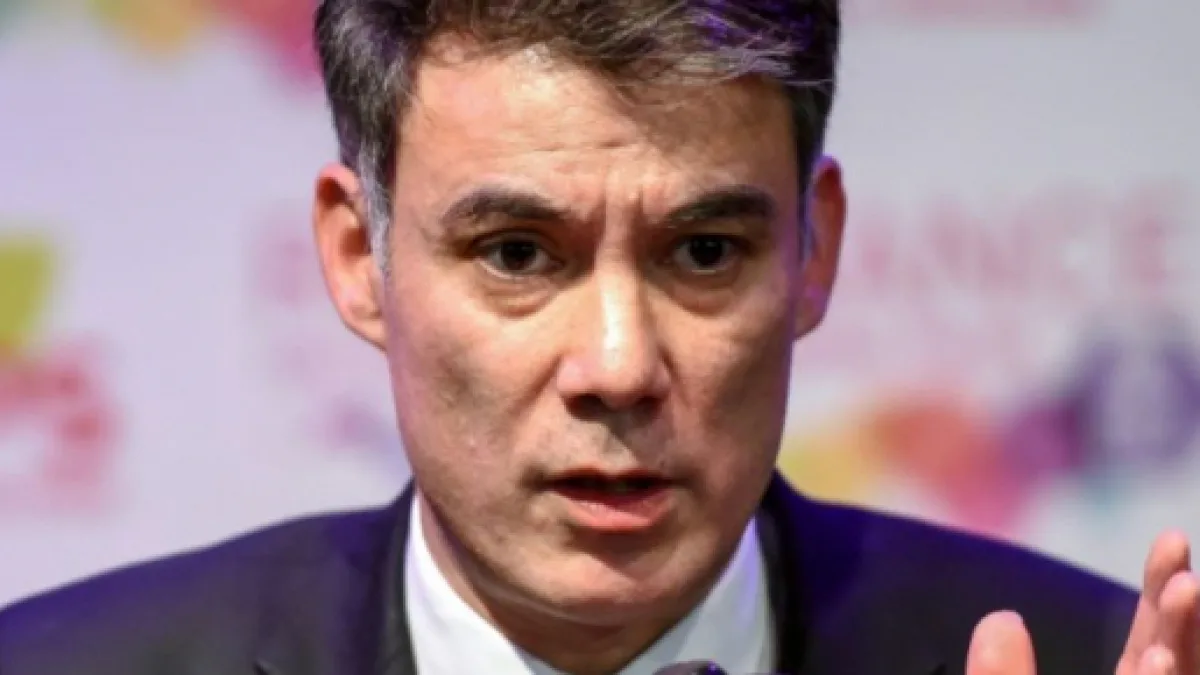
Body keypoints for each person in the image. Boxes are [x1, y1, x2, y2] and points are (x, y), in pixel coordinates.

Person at [0, 0, 1196, 673]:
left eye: (704, 251)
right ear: (362, 258)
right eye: (519, 254)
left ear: (812, 249)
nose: (620, 366)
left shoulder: (1095, 660)